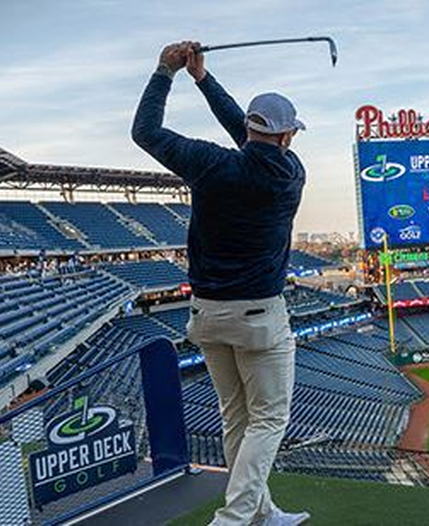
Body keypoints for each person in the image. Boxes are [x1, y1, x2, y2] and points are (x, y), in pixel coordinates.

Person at [132, 41, 308, 526]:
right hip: (259, 319)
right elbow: (252, 140)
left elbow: (144, 132)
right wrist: (203, 81)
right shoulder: (291, 173)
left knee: (237, 419)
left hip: (205, 314)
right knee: (268, 420)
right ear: (288, 137)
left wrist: (168, 72)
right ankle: (232, 520)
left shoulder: (210, 162)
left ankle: (261, 512)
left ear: (252, 129)